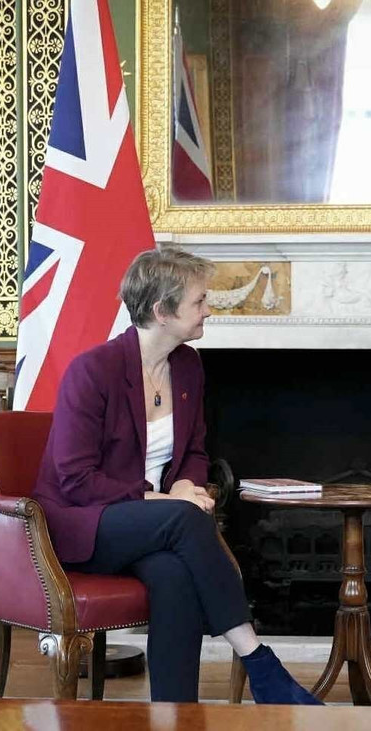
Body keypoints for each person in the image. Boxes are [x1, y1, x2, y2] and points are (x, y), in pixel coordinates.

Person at [33, 247, 322, 705]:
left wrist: (187, 484)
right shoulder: (93, 371)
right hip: (85, 523)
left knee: (174, 577)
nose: (209, 309)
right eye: (199, 302)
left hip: (155, 527)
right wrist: (161, 499)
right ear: (162, 311)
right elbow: (75, 479)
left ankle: (175, 714)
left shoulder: (187, 365)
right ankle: (261, 663)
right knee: (186, 520)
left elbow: (194, 450)